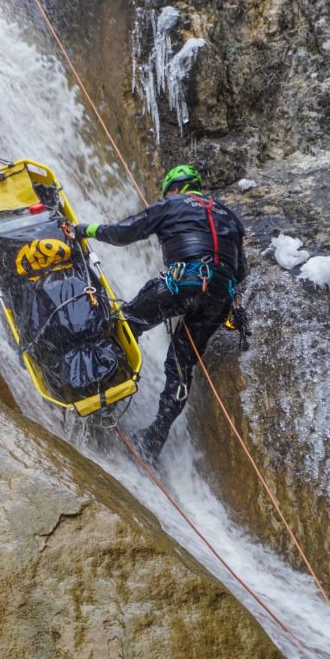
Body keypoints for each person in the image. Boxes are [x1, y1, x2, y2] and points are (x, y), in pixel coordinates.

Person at [74, 164, 247, 461]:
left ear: (175, 188)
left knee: (126, 323)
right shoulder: (230, 217)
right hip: (220, 298)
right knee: (181, 365)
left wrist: (87, 230)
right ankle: (155, 437)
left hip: (183, 283)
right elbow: (239, 269)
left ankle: (101, 386)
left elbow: (125, 232)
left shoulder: (172, 204)